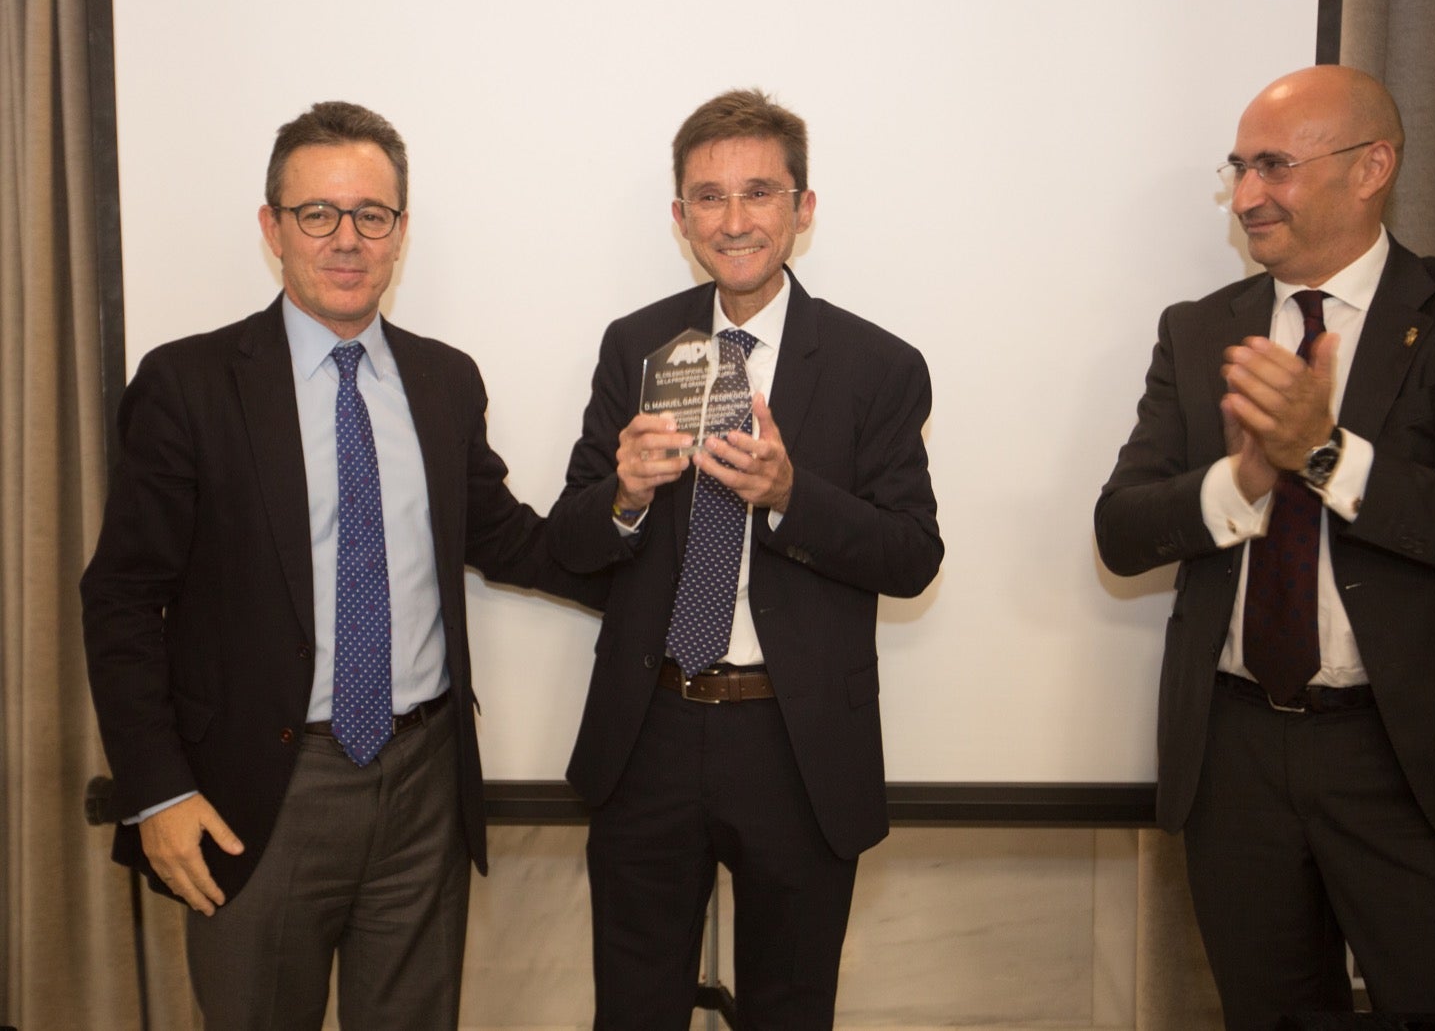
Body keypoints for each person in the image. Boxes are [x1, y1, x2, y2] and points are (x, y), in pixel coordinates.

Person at [80, 101, 603, 1029]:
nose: (347, 239)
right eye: (318, 213)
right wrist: (158, 790)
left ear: (400, 231)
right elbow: (121, 601)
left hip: (425, 785)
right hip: (260, 792)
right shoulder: (189, 384)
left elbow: (510, 541)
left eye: (372, 214)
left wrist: (628, 504)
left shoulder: (445, 381)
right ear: (272, 226)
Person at [1095, 65, 1435, 1029]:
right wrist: (1242, 481)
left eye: (1274, 166)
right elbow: (1122, 530)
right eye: (1239, 167)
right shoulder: (1200, 331)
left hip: (1415, 756)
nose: (1247, 195)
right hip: (1237, 753)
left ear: (1372, 168)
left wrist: (1321, 454)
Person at [545, 88, 942, 1029]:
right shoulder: (635, 345)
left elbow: (912, 554)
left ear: (804, 208)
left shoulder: (877, 366)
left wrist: (791, 495)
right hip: (650, 729)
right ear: (680, 217)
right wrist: (624, 496)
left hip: (794, 742)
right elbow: (569, 539)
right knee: (633, 1010)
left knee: (789, 1010)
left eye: (759, 193)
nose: (734, 221)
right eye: (709, 197)